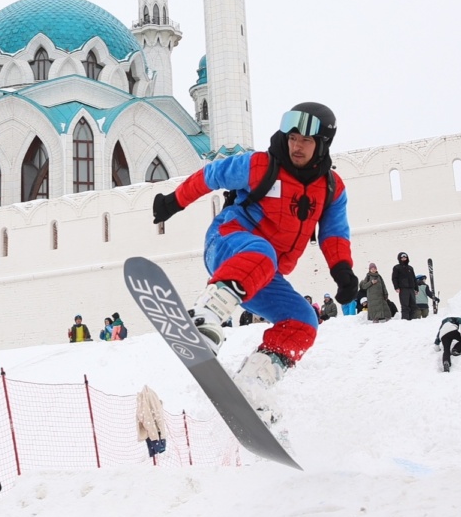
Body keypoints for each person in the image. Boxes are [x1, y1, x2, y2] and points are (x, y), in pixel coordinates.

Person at [150, 102, 356, 420]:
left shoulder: (331, 188)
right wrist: (173, 202)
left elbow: (335, 233)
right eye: (293, 137)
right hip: (229, 242)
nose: (296, 146)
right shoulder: (261, 165)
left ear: (323, 144)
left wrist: (342, 271)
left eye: (306, 140)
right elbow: (211, 176)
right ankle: (205, 319)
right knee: (262, 253)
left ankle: (253, 383)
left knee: (303, 321)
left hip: (263, 273)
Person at [391, 253, 418, 320]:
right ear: (399, 259)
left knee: (413, 305)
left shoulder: (410, 268)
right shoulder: (397, 267)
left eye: (405, 258)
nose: (404, 259)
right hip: (403, 289)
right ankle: (405, 320)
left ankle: (412, 319)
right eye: (402, 258)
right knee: (405, 305)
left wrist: (416, 288)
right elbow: (394, 278)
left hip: (411, 288)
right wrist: (396, 287)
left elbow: (414, 278)